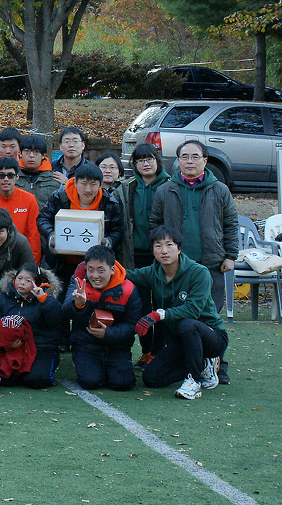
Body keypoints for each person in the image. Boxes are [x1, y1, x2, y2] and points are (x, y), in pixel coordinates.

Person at [125, 226, 228, 399]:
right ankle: (203, 365)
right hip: (181, 340)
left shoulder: (199, 272)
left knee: (187, 324)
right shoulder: (153, 272)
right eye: (158, 246)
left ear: (179, 249)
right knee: (151, 378)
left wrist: (158, 315)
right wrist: (101, 268)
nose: (164, 251)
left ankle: (194, 380)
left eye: (169, 245)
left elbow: (192, 310)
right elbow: (127, 275)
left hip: (211, 337)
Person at [150, 140, 237, 318]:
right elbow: (155, 224)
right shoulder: (165, 190)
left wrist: (230, 256)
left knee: (210, 313)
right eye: (185, 157)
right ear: (178, 161)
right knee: (175, 314)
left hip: (211, 263)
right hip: (175, 265)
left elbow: (230, 224)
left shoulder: (220, 190)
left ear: (205, 161)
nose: (190, 161)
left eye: (195, 157)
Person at [118, 145, 171, 370]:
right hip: (134, 257)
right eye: (140, 160)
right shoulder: (128, 187)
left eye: (149, 159)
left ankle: (162, 352)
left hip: (163, 257)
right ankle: (147, 351)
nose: (145, 164)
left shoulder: (170, 186)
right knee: (141, 307)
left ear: (157, 161)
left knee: (162, 305)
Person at [63, 246, 141, 391]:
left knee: (123, 384)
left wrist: (109, 333)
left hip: (117, 346)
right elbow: (64, 312)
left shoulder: (128, 289)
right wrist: (78, 304)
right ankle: (83, 362)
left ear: (112, 270)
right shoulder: (78, 282)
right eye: (90, 270)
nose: (95, 276)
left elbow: (133, 325)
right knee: (91, 382)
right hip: (86, 345)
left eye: (101, 270)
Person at [37, 163, 124, 283]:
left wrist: (108, 241)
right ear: (75, 182)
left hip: (95, 264)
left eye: (93, 184)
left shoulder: (109, 203)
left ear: (101, 184)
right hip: (61, 262)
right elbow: (43, 219)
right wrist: (51, 235)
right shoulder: (59, 198)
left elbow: (118, 229)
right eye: (83, 183)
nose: (88, 189)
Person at [0, 263, 63, 388]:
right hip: (11, 348)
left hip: (40, 348)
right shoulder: (3, 298)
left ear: (37, 283)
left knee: (36, 380)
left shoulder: (46, 298)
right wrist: (5, 343)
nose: (22, 283)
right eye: (19, 278)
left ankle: (45, 370)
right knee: (5, 380)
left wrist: (43, 299)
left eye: (28, 280)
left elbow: (56, 321)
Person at [0, 158, 42, 262]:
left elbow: (34, 236)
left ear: (17, 177)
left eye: (10, 175)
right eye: (1, 176)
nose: (6, 179)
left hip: (21, 255)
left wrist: (33, 264)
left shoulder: (29, 200)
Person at [17, 134, 60, 209]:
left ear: (43, 155)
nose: (31, 156)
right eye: (27, 151)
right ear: (20, 154)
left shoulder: (54, 178)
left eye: (36, 152)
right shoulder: (12, 177)